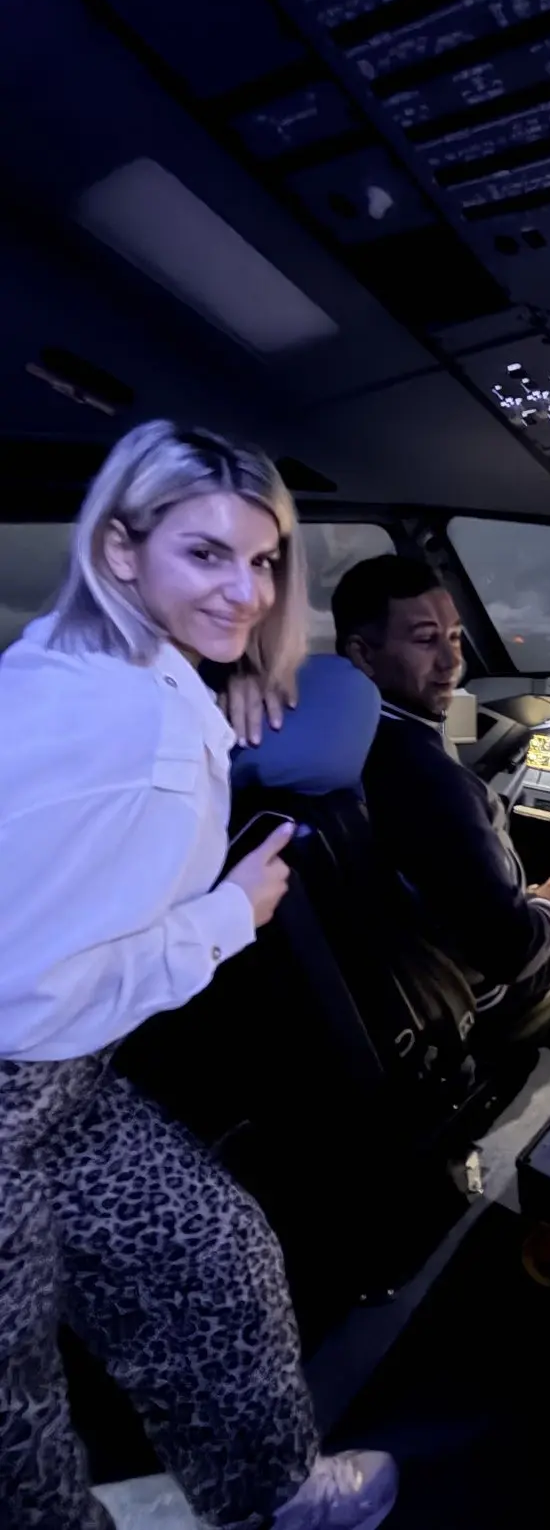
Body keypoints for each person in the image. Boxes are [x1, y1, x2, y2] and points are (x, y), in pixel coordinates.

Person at [0, 422, 397, 1530]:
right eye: (206, 556)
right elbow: (25, 991)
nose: (248, 593)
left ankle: (270, 1488)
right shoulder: (120, 723)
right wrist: (231, 914)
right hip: (17, 1061)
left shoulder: (100, 663)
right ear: (123, 552)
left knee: (209, 1255)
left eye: (264, 560)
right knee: (14, 1437)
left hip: (53, 1079)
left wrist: (210, 696)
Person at [324, 552, 550, 1035]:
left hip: (404, 965)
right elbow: (512, 953)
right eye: (425, 640)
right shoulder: (430, 782)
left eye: (455, 635)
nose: (452, 661)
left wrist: (519, 903)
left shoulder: (341, 736)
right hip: (482, 991)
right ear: (363, 654)